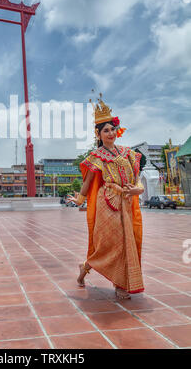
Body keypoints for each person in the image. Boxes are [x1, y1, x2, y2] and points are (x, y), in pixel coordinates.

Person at [67, 95, 144, 299]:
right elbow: (88, 182)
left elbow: (137, 179)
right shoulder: (96, 156)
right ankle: (104, 276)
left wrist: (138, 190)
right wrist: (80, 199)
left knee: (128, 242)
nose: (110, 133)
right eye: (105, 130)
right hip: (107, 202)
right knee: (110, 244)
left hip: (126, 202)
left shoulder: (128, 154)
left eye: (112, 129)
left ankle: (101, 275)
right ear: (98, 134)